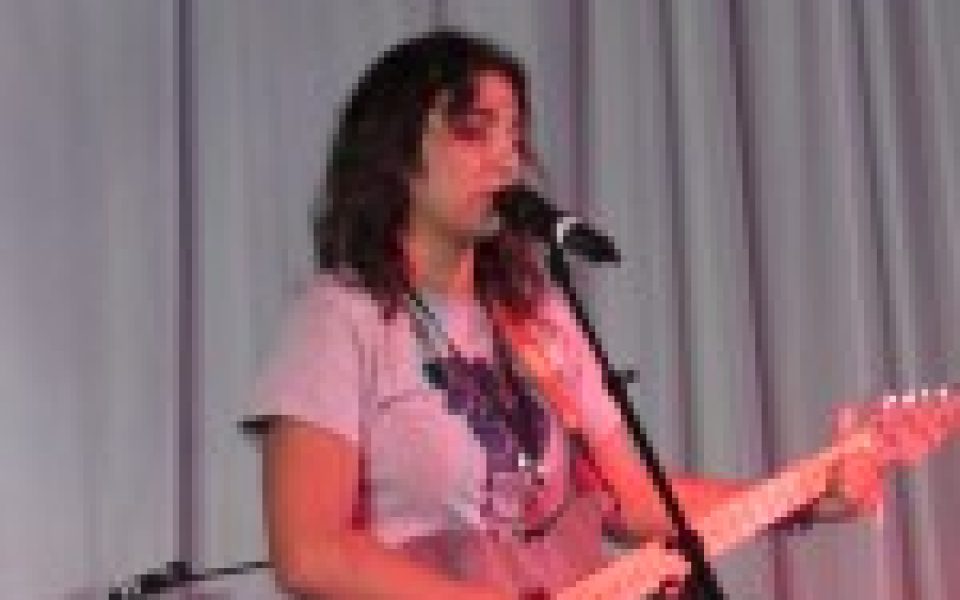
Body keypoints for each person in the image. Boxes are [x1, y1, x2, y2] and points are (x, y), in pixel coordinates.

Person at [251, 29, 884, 599]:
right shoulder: (339, 318)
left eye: (514, 136)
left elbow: (632, 500)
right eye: (474, 130)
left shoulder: (537, 319)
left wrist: (804, 496)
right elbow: (310, 555)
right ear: (395, 154)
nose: (507, 160)